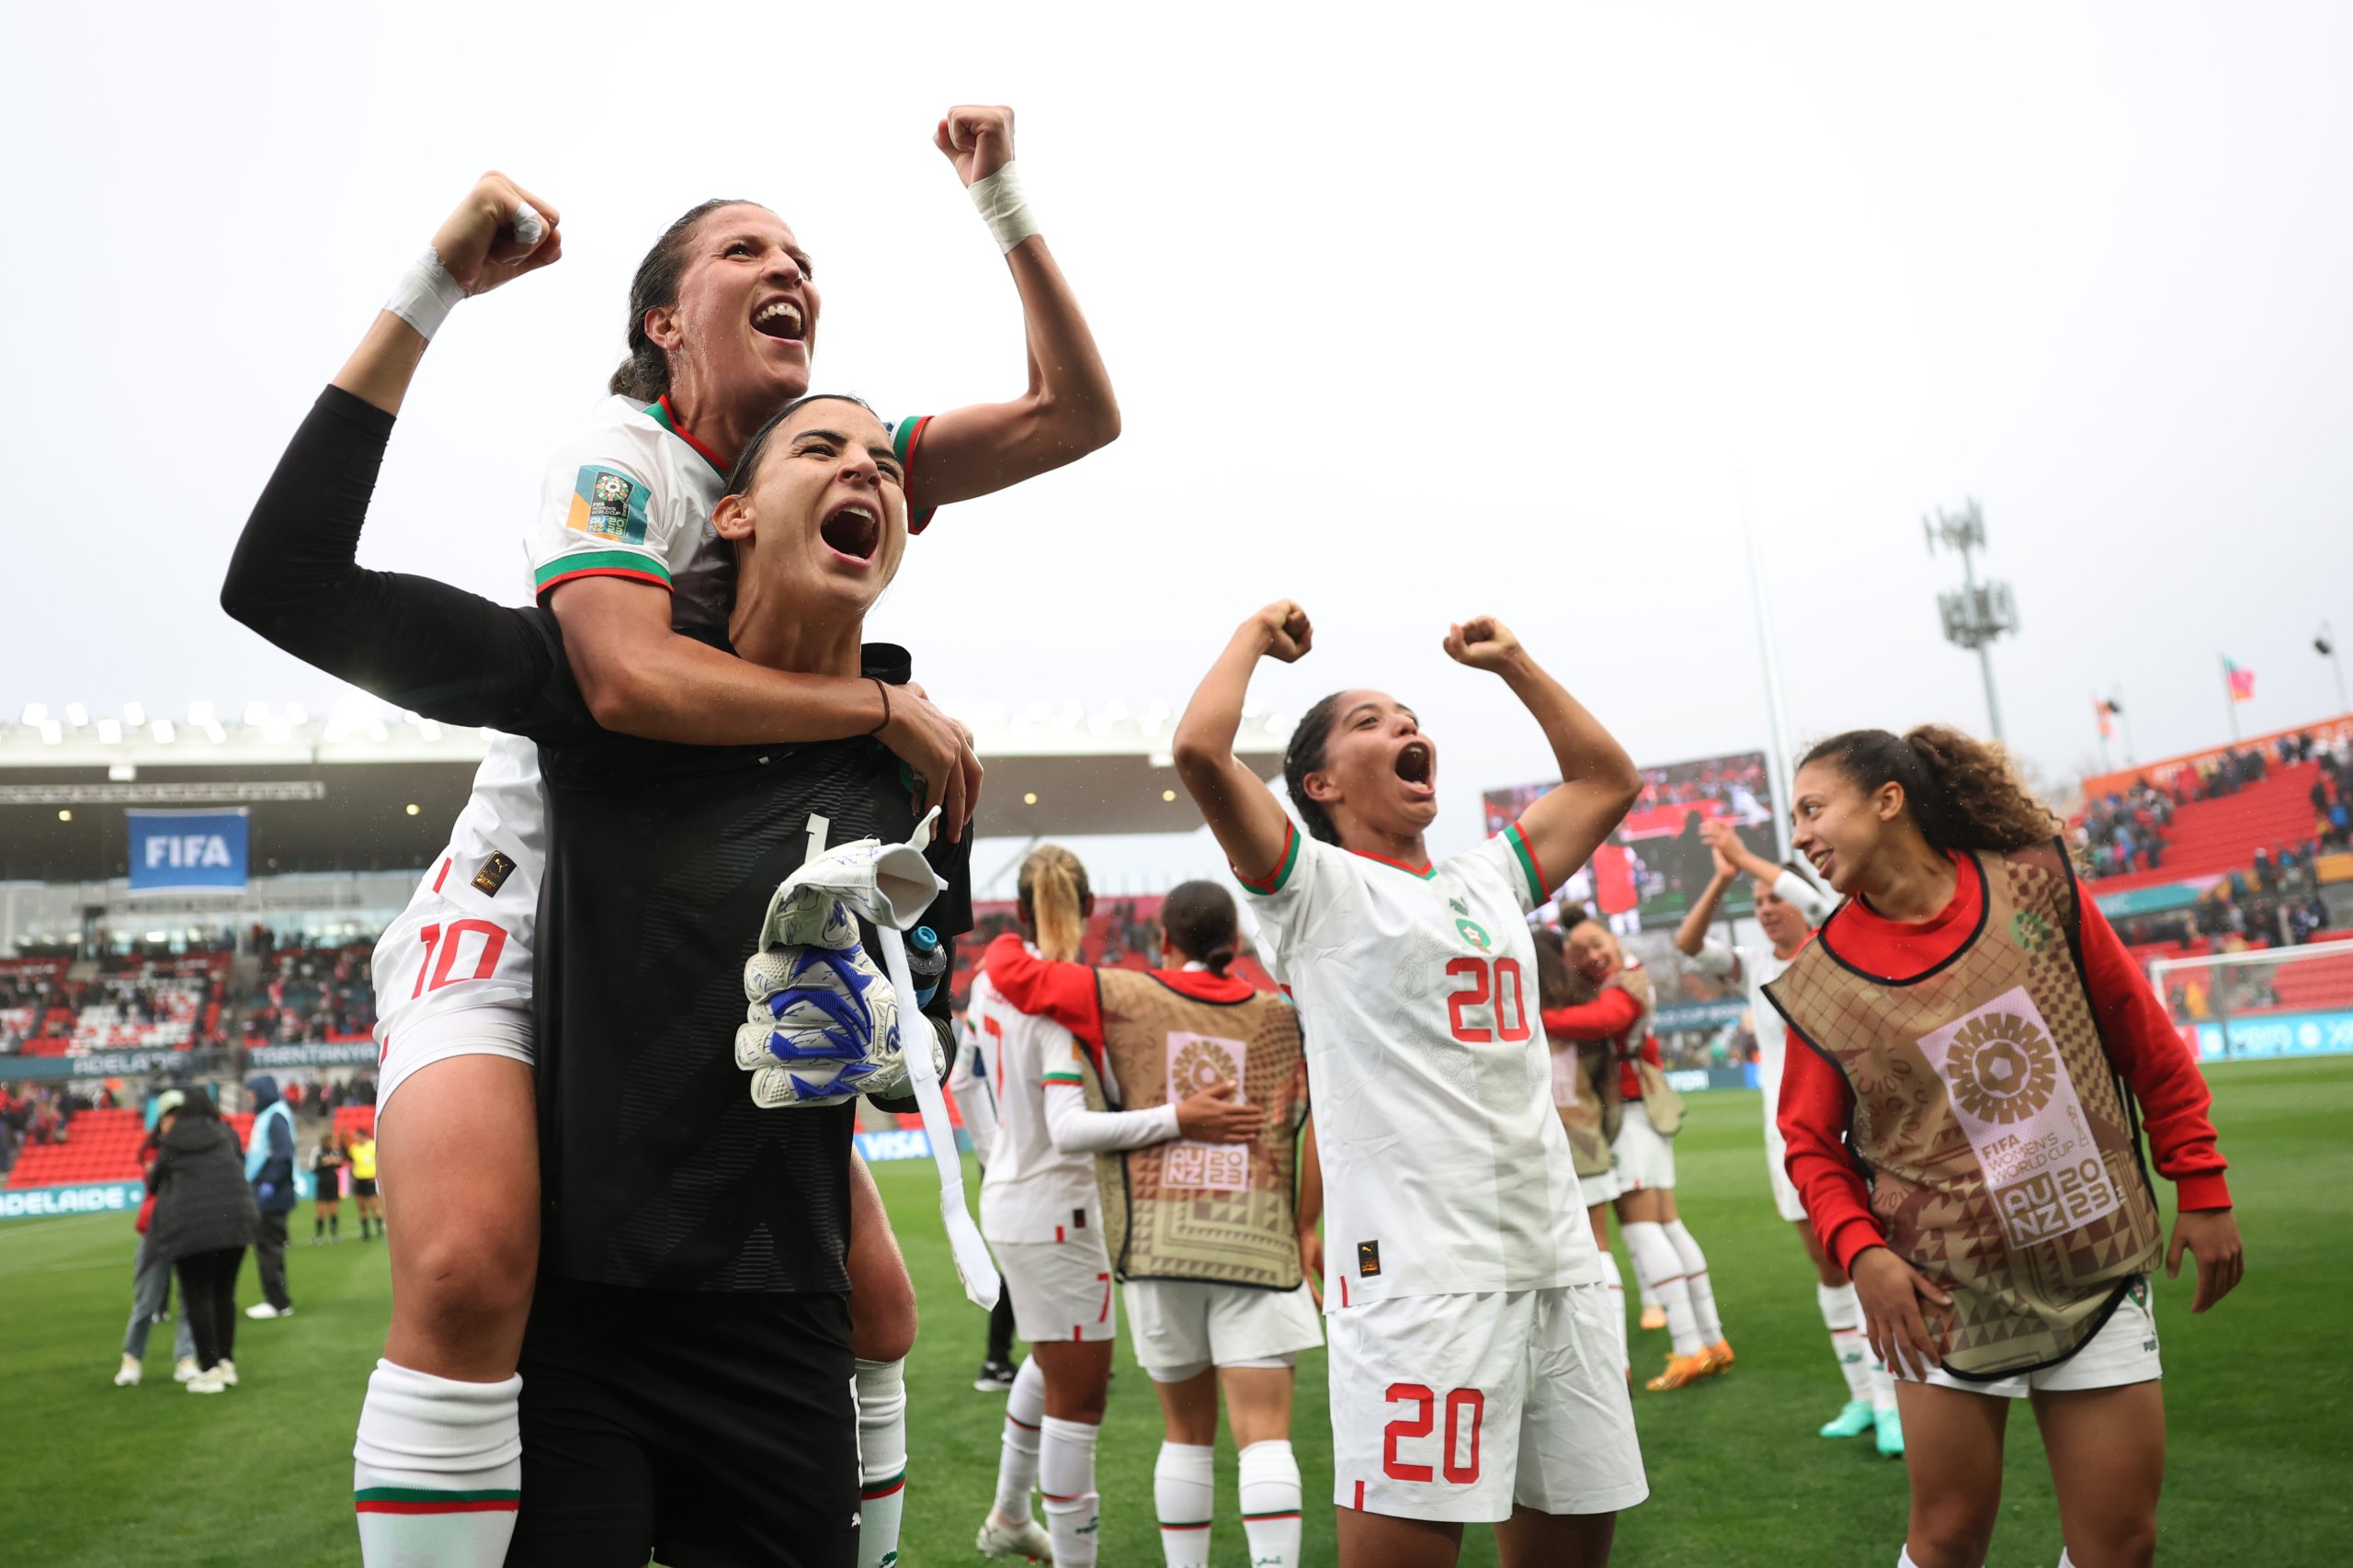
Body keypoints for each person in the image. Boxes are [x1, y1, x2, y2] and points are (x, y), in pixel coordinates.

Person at [249, 110, 1112, 1565]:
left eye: (804, 254)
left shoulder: (816, 458)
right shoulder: (618, 447)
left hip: (714, 937)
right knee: (470, 1270)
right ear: (661, 322)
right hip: (532, 895)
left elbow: (1069, 416)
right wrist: (877, 701)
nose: (793, 271)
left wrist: (1000, 194)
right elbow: (618, 681)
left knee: (883, 1307)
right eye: (743, 249)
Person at [228, 362, 979, 1563]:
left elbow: (921, 1009)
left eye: (889, 465)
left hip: (782, 1323)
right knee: (465, 1265)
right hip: (588, 1328)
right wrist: (430, 295)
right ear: (729, 512)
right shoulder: (599, 689)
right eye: (821, 449)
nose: (867, 470)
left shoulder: (919, 766)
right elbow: (289, 586)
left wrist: (888, 1023)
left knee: (887, 1305)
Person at [1175, 601, 1648, 1568]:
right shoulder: (1311, 887)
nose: (1402, 726)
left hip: (1557, 1259)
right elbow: (1198, 749)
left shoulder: (1487, 879)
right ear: (1318, 782)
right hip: (1422, 1285)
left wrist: (1515, 661)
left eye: (1407, 715)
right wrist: (1252, 639)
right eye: (1367, 721)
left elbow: (1607, 778)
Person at [1767, 727, 2245, 1568]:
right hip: (1939, 1295)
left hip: (2091, 1266)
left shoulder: (2037, 887)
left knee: (2121, 1545)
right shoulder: (1820, 976)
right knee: (1948, 1540)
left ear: (1888, 800)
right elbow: (1807, 1142)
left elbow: (2145, 1038)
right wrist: (1862, 1254)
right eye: (1793, 817)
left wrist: (2201, 1184)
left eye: (1812, 809)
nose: (1798, 834)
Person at [983, 879, 1318, 1568]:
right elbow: (1316, 1129)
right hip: (1256, 1238)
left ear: (1162, 941)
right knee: (1266, 1436)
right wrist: (1308, 1227)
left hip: (1161, 1242)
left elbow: (1009, 972)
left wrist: (1018, 929)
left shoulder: (1125, 997)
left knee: (1185, 1435)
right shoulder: (1282, 1016)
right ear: (1236, 941)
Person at [1673, 817, 1902, 1449]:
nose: (1768, 910)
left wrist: (1748, 859)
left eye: (1775, 899)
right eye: (1759, 906)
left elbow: (1823, 898)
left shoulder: (1835, 943)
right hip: (1787, 1140)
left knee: (1865, 1262)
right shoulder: (1751, 965)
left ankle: (1892, 1401)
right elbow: (1690, 945)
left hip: (1855, 1131)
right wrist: (1724, 880)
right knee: (1828, 1268)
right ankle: (1861, 1397)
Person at [961, 846, 1131, 1565]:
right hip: (1061, 1212)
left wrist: (998, 1153)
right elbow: (1070, 1126)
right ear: (1089, 908)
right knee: (1081, 1405)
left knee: (1050, 1364)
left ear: (1022, 911)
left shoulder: (991, 985)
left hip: (1014, 1199)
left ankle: (1008, 1513)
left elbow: (965, 1080)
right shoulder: (1064, 999)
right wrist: (1181, 1118)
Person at [1550, 916, 1734, 1391]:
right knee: (1668, 1224)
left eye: (1596, 943)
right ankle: (1711, 1340)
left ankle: (1691, 1347)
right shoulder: (1620, 977)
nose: (1590, 955)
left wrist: (1534, 1019)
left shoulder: (1627, 981)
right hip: (1640, 1111)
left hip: (1632, 1113)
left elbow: (1602, 1022)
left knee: (1644, 1230)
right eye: (1579, 950)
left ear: (1614, 938)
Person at [1529, 926, 1629, 1379]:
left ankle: (1558, 1361)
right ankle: (1617, 1362)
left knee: (1539, 1256)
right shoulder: (1582, 1010)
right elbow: (1607, 1081)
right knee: (1599, 1250)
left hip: (1530, 1146)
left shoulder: (1511, 1012)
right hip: (1585, 1138)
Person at [147, 1089, 258, 1395]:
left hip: (190, 1227)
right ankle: (226, 1364)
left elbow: (154, 1182)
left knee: (198, 1297)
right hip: (236, 1220)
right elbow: (239, 1163)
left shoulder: (173, 1139)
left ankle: (209, 1371)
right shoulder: (226, 1133)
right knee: (224, 1294)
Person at [946, 1003, 1024, 1394]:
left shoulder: (994, 1034)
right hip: (1014, 1160)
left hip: (1003, 1157)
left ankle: (1054, 1352)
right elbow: (962, 1083)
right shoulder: (1001, 1036)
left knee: (1024, 1262)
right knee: (1020, 1264)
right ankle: (997, 1360)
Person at [116, 1089, 201, 1387]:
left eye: (181, 1116)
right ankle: (131, 1359)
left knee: (190, 1300)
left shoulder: (196, 1149)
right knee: (146, 1302)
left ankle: (186, 1359)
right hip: (157, 1232)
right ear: (160, 1121)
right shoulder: (152, 1152)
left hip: (189, 1231)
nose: (176, 1122)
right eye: (170, 1116)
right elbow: (161, 1181)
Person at [243, 1074, 298, 1319]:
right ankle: (277, 1300)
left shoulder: (274, 1116)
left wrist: (268, 1184)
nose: (250, 1098)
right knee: (268, 1247)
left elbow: (283, 1152)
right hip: (271, 1191)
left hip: (272, 1194)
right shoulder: (271, 1114)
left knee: (268, 1248)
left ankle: (277, 1302)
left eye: (252, 1093)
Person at [312, 1132, 349, 1244]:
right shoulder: (318, 1153)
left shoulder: (335, 1152)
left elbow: (341, 1162)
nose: (334, 1143)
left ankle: (334, 1234)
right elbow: (314, 1168)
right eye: (332, 1141)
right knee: (321, 1212)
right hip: (322, 1185)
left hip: (333, 1185)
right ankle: (319, 1236)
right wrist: (325, 1163)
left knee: (333, 1211)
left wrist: (335, 1161)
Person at [347, 1127, 380, 1240]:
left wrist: (376, 1175)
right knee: (362, 1208)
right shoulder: (354, 1148)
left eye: (357, 1136)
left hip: (370, 1180)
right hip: (359, 1180)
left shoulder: (372, 1146)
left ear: (363, 1136)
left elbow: (379, 1160)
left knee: (374, 1207)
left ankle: (379, 1229)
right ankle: (365, 1232)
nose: (355, 1138)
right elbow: (352, 1162)